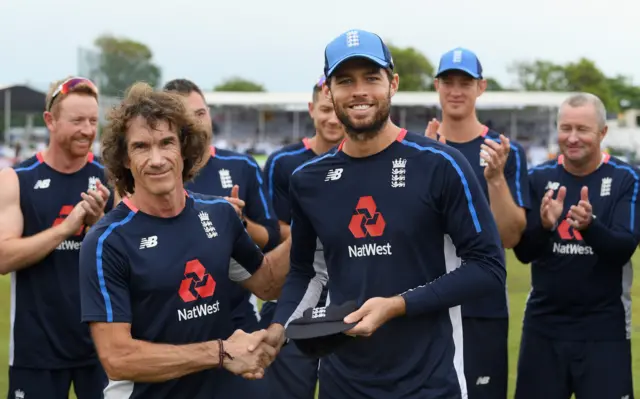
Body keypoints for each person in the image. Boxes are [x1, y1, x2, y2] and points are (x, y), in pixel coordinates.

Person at [264, 29, 507, 399]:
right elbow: (307, 271)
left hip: (429, 381)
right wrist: (280, 328)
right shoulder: (308, 180)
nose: (359, 91)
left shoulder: (441, 165)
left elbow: (488, 267)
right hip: (341, 382)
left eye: (371, 78)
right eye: (345, 81)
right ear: (328, 92)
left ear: (392, 84)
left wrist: (398, 306)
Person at [79, 82, 291, 398]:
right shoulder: (106, 241)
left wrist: (312, 221)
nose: (157, 159)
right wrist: (221, 352)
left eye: (167, 143)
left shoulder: (221, 214)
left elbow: (269, 284)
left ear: (184, 147)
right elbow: (118, 358)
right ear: (124, 158)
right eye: (140, 146)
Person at [513, 93, 638, 399]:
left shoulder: (627, 178)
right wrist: (543, 226)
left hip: (604, 329)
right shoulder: (538, 177)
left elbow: (623, 247)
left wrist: (589, 226)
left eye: (582, 129)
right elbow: (523, 252)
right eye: (565, 128)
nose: (572, 138)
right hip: (544, 328)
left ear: (602, 132)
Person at [425, 47, 530, 399]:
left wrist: (496, 179)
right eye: (448, 81)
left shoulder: (503, 150)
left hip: (482, 304)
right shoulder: (418, 150)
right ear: (436, 86)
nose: (456, 90)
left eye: (465, 82)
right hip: (429, 303)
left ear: (480, 87)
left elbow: (511, 236)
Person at [0, 76, 114, 399]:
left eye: (93, 121)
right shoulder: (16, 179)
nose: (88, 130)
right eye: (77, 120)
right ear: (50, 121)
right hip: (35, 351)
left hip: (102, 347)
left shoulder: (110, 177)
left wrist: (99, 226)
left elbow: (130, 259)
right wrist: (66, 228)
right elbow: (4, 257)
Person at [163, 79, 279, 335]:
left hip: (238, 320)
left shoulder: (243, 166)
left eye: (201, 113)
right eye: (186, 117)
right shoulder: (160, 174)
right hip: (177, 319)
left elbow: (272, 238)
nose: (197, 123)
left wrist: (239, 223)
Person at [260, 75, 345, 399]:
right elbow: (272, 232)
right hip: (294, 297)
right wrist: (319, 232)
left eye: (337, 109)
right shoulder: (284, 162)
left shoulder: (363, 163)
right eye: (325, 109)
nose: (332, 118)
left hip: (347, 300)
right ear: (312, 109)